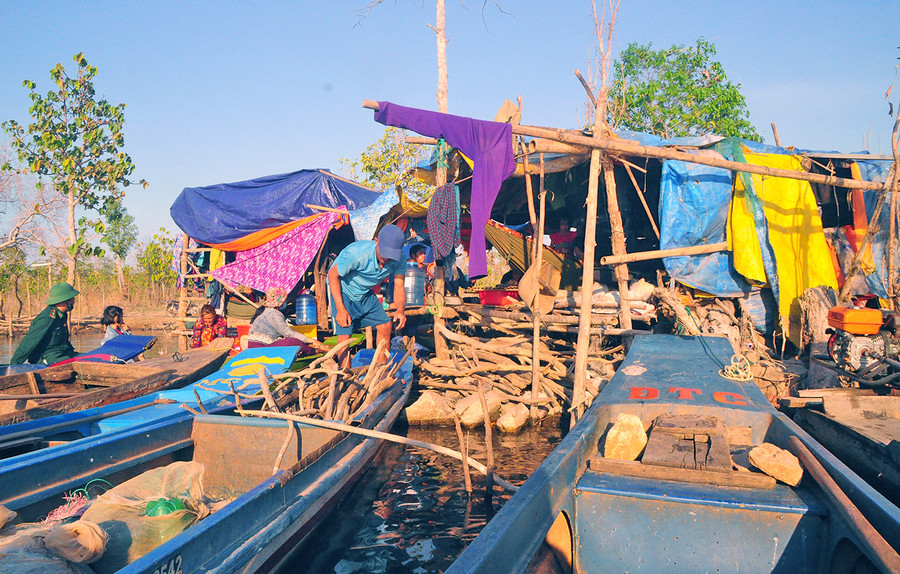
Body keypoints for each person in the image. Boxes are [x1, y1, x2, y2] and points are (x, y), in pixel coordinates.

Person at [328, 224, 407, 367]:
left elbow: (399, 285)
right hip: (343, 289)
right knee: (345, 330)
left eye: (391, 255)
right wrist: (340, 309)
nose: (387, 259)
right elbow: (332, 275)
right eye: (385, 253)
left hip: (364, 292)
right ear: (376, 241)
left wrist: (400, 310)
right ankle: (345, 375)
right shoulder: (357, 253)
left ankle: (380, 371)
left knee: (385, 325)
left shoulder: (400, 258)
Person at [11, 282, 79, 365]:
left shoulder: (62, 314)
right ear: (64, 300)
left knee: (88, 357)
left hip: (62, 353)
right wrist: (14, 365)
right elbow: (28, 342)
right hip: (46, 357)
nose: (73, 300)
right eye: (71, 298)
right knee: (70, 362)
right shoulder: (47, 318)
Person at [247, 287, 327, 354]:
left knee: (291, 341)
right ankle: (314, 351)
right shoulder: (273, 314)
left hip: (257, 346)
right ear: (280, 301)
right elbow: (289, 333)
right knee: (294, 342)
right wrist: (312, 340)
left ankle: (313, 348)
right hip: (261, 347)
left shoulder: (268, 311)